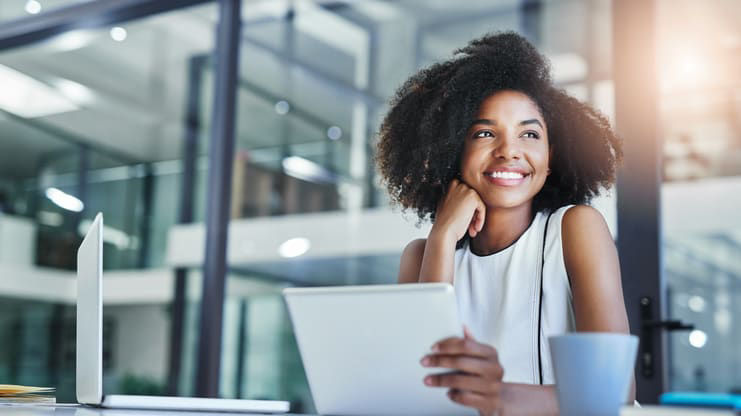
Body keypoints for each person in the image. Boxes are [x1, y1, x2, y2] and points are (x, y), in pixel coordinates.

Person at [376, 32, 632, 415]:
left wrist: (501, 397)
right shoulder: (422, 254)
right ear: (452, 150)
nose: (509, 150)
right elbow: (421, 389)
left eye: (530, 134)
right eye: (484, 133)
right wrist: (443, 236)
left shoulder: (574, 229)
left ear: (550, 156)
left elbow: (614, 392)